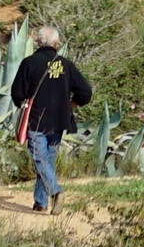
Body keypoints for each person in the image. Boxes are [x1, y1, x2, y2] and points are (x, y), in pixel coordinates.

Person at [9, 25, 93, 215]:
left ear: (38, 43)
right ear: (57, 44)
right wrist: (72, 105)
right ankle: (40, 202)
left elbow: (17, 93)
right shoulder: (65, 64)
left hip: (37, 120)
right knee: (46, 161)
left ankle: (55, 191)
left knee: (40, 160)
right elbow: (86, 93)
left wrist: (24, 104)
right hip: (60, 121)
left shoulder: (29, 63)